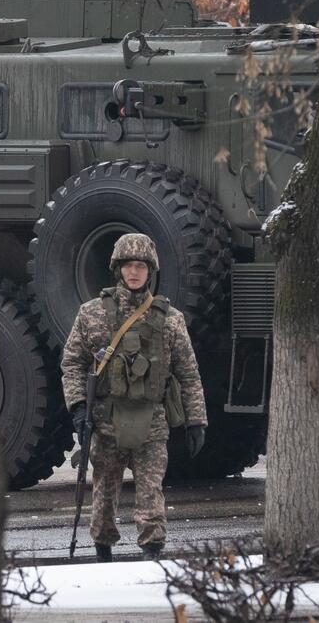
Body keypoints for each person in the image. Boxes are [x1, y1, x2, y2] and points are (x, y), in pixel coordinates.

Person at [61, 233, 207, 562]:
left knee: (151, 493)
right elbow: (72, 363)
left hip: (151, 421)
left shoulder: (170, 319)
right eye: (128, 265)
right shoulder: (92, 314)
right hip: (106, 419)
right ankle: (103, 554)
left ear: (150, 270)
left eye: (141, 266)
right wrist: (79, 407)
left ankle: (151, 555)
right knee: (103, 494)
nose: (134, 272)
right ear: (118, 269)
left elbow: (188, 373)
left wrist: (196, 420)